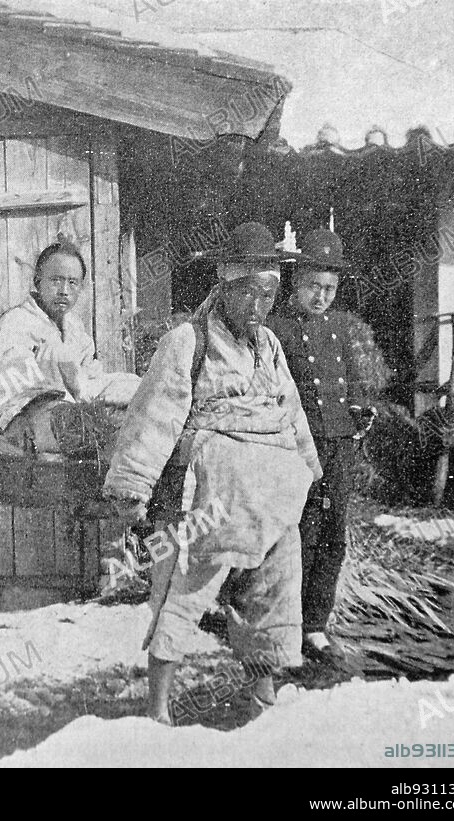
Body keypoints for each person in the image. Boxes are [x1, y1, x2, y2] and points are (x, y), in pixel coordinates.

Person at [102, 222, 323, 725]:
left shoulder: (268, 346)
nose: (256, 304)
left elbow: (291, 414)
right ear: (223, 284)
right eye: (246, 291)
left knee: (274, 587)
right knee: (184, 587)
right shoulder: (188, 341)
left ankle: (264, 696)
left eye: (267, 293)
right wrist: (132, 492)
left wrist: (310, 474)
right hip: (209, 498)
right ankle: (158, 705)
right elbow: (154, 414)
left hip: (272, 494)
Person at [266, 228, 376, 667]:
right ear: (296, 282)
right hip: (297, 446)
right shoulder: (275, 327)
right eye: (314, 286)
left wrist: (360, 411)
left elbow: (350, 381)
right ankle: (287, 621)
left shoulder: (340, 328)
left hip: (339, 444)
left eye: (330, 289)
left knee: (333, 535)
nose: (321, 297)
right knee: (301, 533)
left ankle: (316, 624)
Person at [0, 238, 140, 453]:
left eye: (72, 282)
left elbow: (88, 371)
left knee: (132, 384)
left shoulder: (73, 324)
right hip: (35, 411)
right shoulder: (16, 321)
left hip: (77, 401)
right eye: (56, 280)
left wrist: (83, 383)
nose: (64, 290)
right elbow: (2, 385)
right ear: (38, 281)